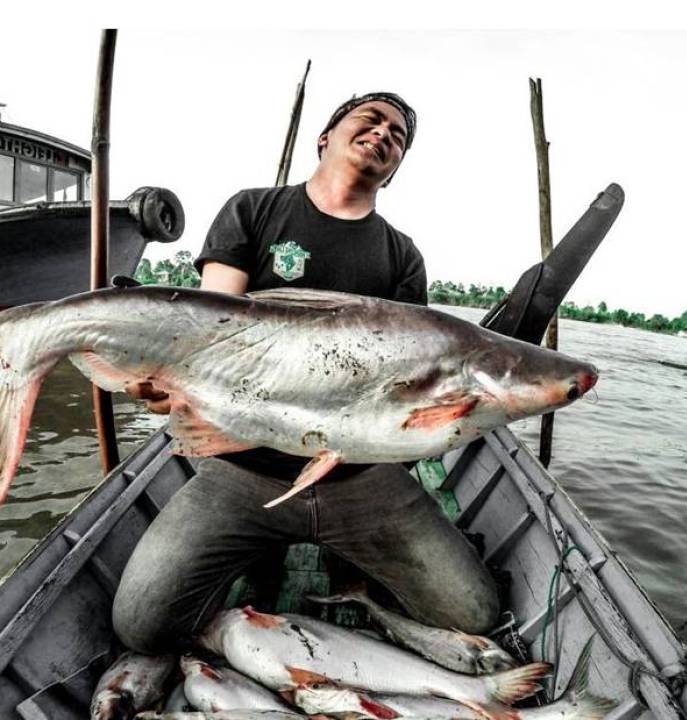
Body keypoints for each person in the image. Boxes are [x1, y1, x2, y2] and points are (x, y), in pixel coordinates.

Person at [112, 92, 499, 653]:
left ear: (394, 169)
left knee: (474, 614)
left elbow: (410, 387)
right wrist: (170, 378)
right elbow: (209, 329)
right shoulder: (253, 209)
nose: (384, 133)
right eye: (370, 119)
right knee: (142, 626)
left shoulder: (402, 256)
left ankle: (352, 568)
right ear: (325, 137)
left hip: (362, 477)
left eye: (398, 135)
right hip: (241, 467)